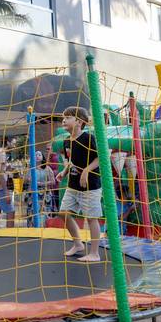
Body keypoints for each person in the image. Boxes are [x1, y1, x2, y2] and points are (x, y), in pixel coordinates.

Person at [56, 107, 102, 262]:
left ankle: (94, 253)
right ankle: (78, 244)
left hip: (90, 186)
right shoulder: (66, 141)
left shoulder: (88, 138)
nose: (64, 120)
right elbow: (71, 161)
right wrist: (64, 172)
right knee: (63, 213)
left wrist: (87, 170)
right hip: (73, 186)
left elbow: (99, 158)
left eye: (68, 117)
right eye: (63, 117)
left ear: (79, 122)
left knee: (91, 218)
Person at [0, 137, 15, 230]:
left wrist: (6, 169)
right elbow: (0, 173)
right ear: (8, 142)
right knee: (11, 212)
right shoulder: (1, 153)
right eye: (13, 143)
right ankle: (10, 236)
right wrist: (6, 191)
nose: (14, 145)